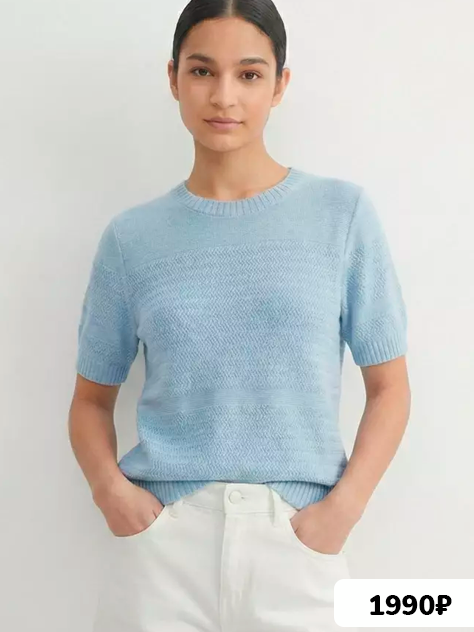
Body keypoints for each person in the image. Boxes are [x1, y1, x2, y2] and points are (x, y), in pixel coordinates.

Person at [68, 0, 411, 630]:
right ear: (173, 78)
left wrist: (344, 510)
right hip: (161, 553)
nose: (224, 95)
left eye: (249, 74)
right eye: (202, 71)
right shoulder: (132, 239)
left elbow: (389, 387)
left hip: (298, 546)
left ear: (280, 85)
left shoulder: (342, 216)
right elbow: (91, 401)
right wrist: (111, 493)